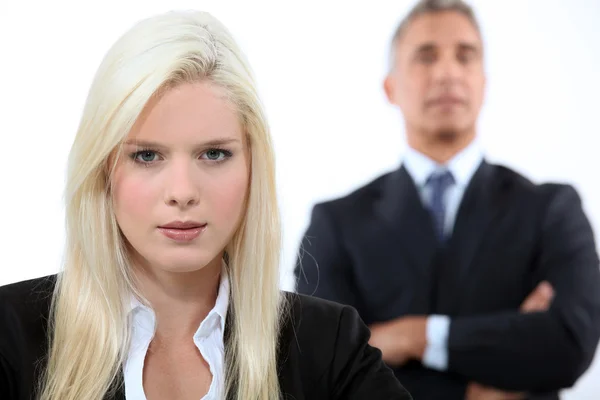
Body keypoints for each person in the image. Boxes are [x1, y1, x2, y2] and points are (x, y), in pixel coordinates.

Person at [0, 10, 413, 400]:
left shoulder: (330, 343)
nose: (182, 191)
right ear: (102, 169)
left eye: (213, 154)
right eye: (147, 155)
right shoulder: (8, 332)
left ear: (254, 166)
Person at [294, 0, 600, 399]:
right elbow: (316, 369)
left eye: (465, 56)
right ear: (391, 87)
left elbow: (570, 343)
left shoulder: (551, 210)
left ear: (484, 83)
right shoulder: (336, 223)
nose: (446, 72)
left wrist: (411, 336)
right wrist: (495, 370)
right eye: (425, 56)